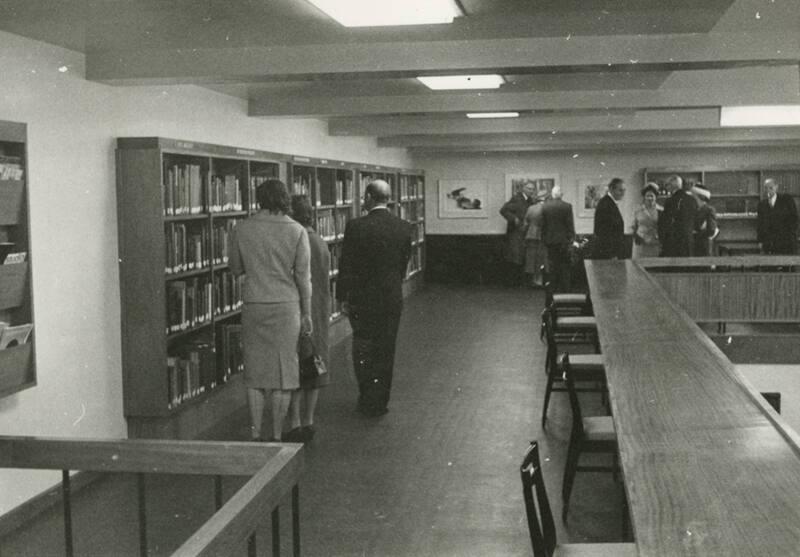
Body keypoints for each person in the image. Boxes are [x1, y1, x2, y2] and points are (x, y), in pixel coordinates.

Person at [229, 179, 312, 442]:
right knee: (283, 373)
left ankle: (256, 434)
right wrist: (307, 313)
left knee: (255, 372)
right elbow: (303, 278)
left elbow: (235, 269)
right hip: (286, 307)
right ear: (285, 198)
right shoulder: (297, 230)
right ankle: (276, 436)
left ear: (259, 198)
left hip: (254, 304)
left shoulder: (241, 228)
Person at [337, 179, 413, 417]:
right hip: (391, 297)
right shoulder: (403, 226)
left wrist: (342, 297)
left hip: (363, 299)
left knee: (363, 348)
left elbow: (346, 265)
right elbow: (403, 264)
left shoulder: (356, 226)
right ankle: (380, 402)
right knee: (386, 349)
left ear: (369, 197)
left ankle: (366, 397)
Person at [283, 195, 331, 443]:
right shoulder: (320, 242)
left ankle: (295, 421)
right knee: (315, 364)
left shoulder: (297, 241)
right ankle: (309, 419)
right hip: (320, 310)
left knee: (296, 366)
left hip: (301, 310)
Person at [500, 181, 536, 286]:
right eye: (529, 188)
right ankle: (513, 283)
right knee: (515, 257)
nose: (531, 191)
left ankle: (521, 282)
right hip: (516, 233)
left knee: (524, 257)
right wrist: (514, 219)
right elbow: (503, 210)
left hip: (526, 232)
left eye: (532, 189)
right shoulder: (516, 198)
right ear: (523, 189)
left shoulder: (531, 201)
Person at [540, 186, 575, 292]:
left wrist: (544, 239)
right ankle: (566, 288)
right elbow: (569, 224)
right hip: (564, 240)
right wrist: (572, 238)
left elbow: (543, 225)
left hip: (550, 240)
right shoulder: (567, 206)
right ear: (561, 195)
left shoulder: (545, 206)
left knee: (552, 265)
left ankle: (553, 288)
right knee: (565, 265)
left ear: (552, 194)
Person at [659, 174, 697, 257]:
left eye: (667, 185)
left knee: (674, 264)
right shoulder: (692, 200)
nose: (666, 187)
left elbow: (666, 221)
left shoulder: (670, 201)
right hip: (689, 239)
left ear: (672, 186)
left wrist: (662, 237)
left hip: (674, 241)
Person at [757, 178, 798, 254]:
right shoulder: (762, 204)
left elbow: (794, 219)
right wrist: (760, 241)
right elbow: (760, 224)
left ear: (776, 187)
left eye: (771, 188)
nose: (768, 190)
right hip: (769, 243)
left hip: (786, 242)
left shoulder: (786, 200)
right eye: (766, 188)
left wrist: (792, 237)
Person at [592, 177, 627, 259]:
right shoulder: (605, 204)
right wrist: (612, 254)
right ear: (611, 189)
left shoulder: (609, 202)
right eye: (620, 190)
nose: (623, 193)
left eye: (624, 190)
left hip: (609, 252)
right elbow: (604, 232)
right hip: (608, 253)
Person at [523, 190, 548, 287]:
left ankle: (533, 280)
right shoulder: (547, 208)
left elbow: (525, 223)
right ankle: (540, 280)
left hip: (531, 235)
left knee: (531, 259)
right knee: (541, 258)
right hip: (543, 235)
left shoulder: (531, 208)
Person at [631, 182, 662, 258]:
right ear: (644, 197)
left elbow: (663, 227)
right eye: (647, 196)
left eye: (652, 196)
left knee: (654, 263)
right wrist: (637, 237)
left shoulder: (661, 210)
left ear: (656, 197)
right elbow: (633, 226)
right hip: (641, 243)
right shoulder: (637, 210)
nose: (649, 198)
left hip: (655, 243)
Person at [692, 184, 718, 257]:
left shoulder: (709, 210)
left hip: (704, 246)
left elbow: (711, 230)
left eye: (693, 196)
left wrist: (695, 233)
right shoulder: (692, 209)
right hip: (693, 245)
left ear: (700, 196)